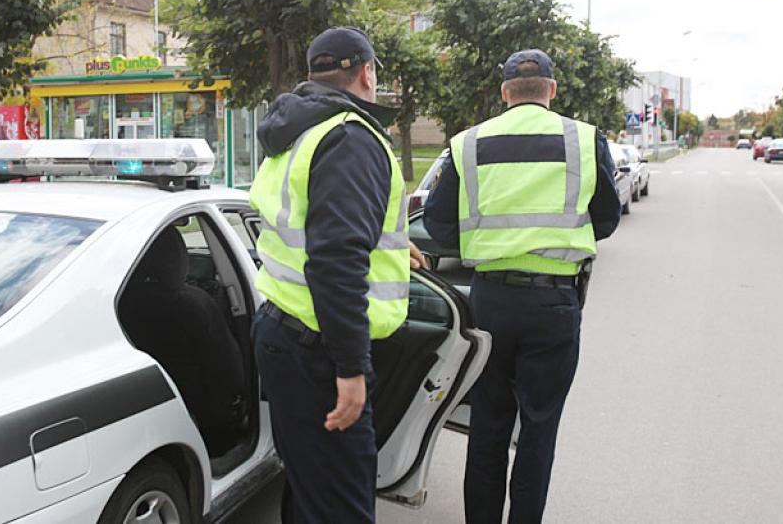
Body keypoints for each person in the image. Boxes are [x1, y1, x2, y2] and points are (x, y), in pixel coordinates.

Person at [423, 49, 621, 524]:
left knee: (487, 426)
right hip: (554, 302)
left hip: (490, 301)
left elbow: (436, 223)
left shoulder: (468, 143)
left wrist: (487, 243)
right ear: (551, 89)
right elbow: (607, 219)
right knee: (539, 429)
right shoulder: (584, 139)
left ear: (504, 92)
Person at [249, 27, 425, 524]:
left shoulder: (298, 130)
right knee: (342, 505)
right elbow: (336, 259)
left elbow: (316, 225)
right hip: (320, 353)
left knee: (309, 489)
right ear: (366, 72)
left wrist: (389, 241)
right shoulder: (350, 137)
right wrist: (351, 369)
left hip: (283, 331)